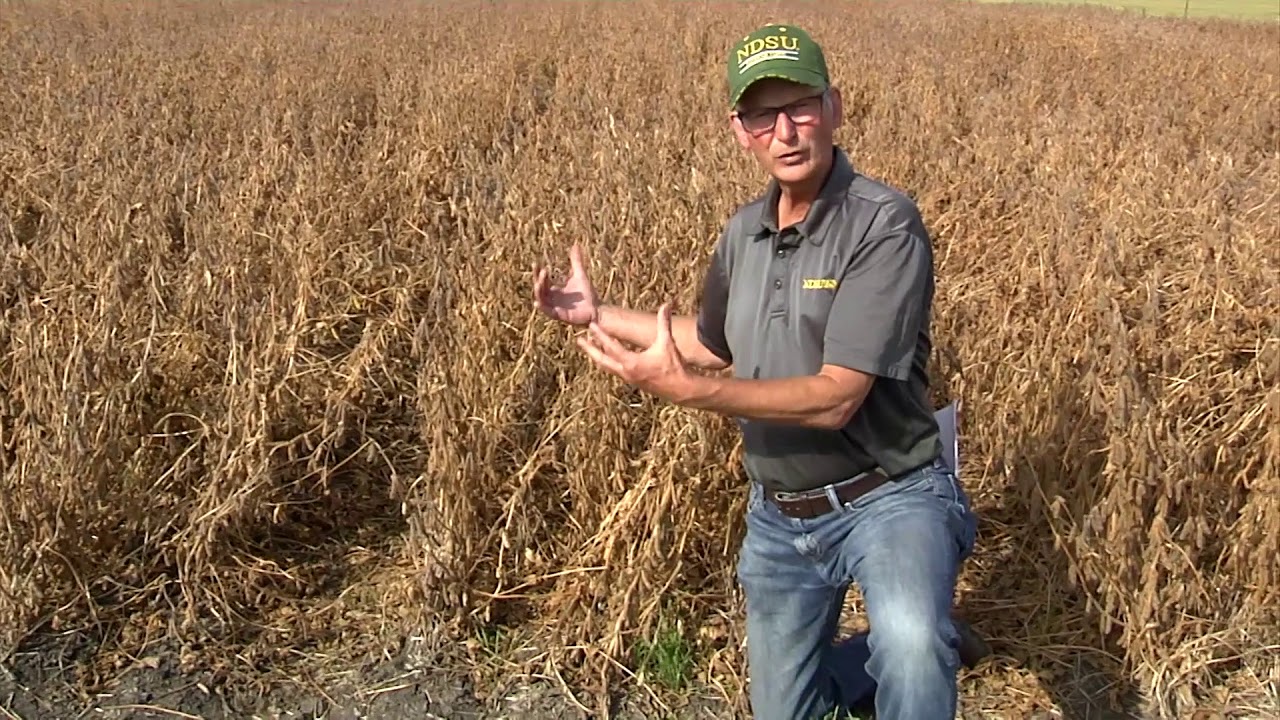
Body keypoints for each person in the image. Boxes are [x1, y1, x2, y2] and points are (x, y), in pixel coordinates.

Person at [532, 22, 987, 720]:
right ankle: (906, 645)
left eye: (801, 105)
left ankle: (922, 640)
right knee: (786, 708)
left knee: (911, 643)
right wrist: (596, 315)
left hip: (890, 495)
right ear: (739, 130)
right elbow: (712, 342)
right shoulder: (743, 234)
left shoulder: (883, 225)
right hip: (781, 518)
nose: (785, 130)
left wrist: (693, 393)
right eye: (761, 114)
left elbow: (837, 398)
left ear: (835, 105)